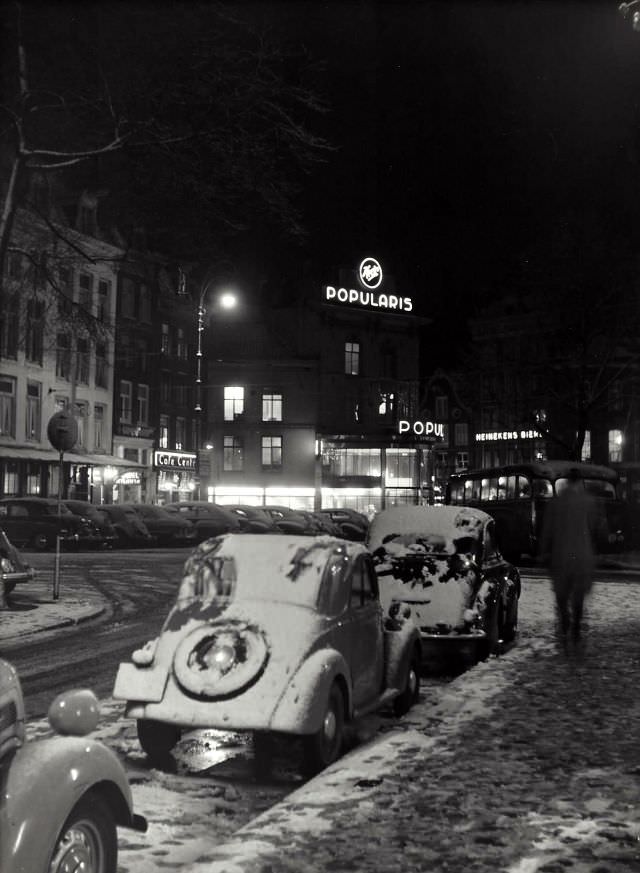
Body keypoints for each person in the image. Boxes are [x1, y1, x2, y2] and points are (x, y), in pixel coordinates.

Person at [539, 467, 597, 652]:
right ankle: (576, 629)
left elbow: (547, 530)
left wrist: (543, 552)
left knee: (562, 596)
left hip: (561, 556)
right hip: (581, 556)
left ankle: (564, 623)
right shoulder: (587, 502)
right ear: (579, 481)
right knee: (578, 596)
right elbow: (596, 528)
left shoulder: (557, 503)